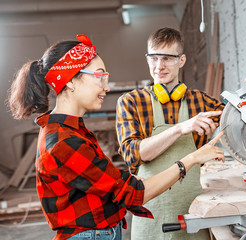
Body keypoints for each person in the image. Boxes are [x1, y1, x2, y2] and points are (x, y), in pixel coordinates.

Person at [7, 34, 225, 240]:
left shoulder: (72, 131)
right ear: (71, 81)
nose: (106, 86)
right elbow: (135, 193)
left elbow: (105, 183)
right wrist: (192, 158)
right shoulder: (64, 141)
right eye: (100, 76)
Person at [116, 27, 225, 240]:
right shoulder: (130, 102)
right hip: (151, 218)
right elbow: (135, 154)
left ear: (181, 60)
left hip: (193, 214)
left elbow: (234, 117)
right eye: (154, 58)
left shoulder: (200, 102)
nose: (159, 66)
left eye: (167, 58)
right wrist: (180, 128)